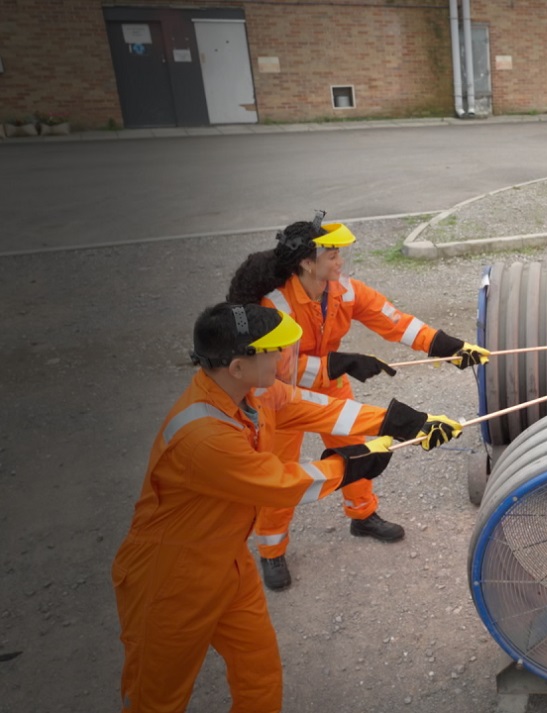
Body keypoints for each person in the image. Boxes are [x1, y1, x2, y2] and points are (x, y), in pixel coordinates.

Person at [112, 302, 461, 712]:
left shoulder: (253, 391)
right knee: (158, 700)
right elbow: (281, 484)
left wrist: (400, 423)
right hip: (169, 578)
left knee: (259, 674)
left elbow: (317, 408)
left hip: (228, 563)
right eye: (272, 351)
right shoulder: (203, 436)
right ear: (238, 366)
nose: (282, 358)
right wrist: (349, 464)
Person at [225, 213, 488, 590]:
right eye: (333, 255)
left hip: (330, 385)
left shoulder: (344, 291)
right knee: (280, 473)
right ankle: (271, 549)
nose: (340, 261)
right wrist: (341, 362)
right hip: (280, 401)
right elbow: (281, 373)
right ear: (307, 262)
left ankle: (362, 515)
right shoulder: (275, 306)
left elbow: (395, 321)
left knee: (356, 451)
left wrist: (450, 348)